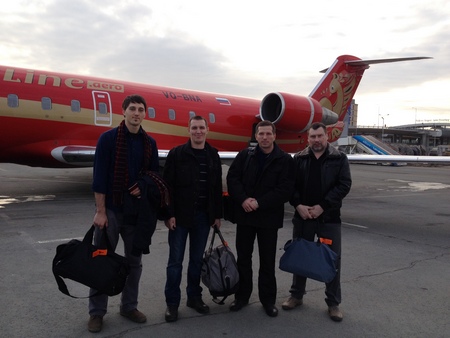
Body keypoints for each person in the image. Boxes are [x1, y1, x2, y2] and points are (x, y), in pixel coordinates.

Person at [88, 94, 160, 333]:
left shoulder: (150, 143)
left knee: (134, 263)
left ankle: (129, 306)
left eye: (141, 109)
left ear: (145, 114)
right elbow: (99, 178)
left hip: (136, 213)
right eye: (132, 109)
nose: (136, 113)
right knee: (102, 260)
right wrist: (100, 211)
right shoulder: (108, 140)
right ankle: (97, 312)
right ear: (124, 112)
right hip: (111, 210)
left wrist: (144, 184)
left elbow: (154, 177)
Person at [281, 122, 352, 322]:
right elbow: (290, 185)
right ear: (308, 138)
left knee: (331, 258)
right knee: (300, 255)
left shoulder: (339, 158)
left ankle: (333, 303)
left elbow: (344, 185)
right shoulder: (299, 158)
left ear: (326, 136)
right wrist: (298, 205)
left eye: (320, 136)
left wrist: (322, 206)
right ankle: (296, 295)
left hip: (328, 218)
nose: (316, 140)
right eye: (312, 137)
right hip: (303, 217)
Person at [226, 120, 295, 317]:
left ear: (274, 136)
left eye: (268, 134)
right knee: (243, 260)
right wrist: (243, 200)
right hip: (245, 216)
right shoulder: (244, 155)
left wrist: (260, 203)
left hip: (268, 219)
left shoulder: (284, 160)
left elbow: (285, 189)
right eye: (261, 134)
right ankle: (242, 296)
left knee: (267, 262)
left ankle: (268, 300)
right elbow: (233, 179)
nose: (264, 137)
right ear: (256, 136)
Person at [163, 115, 223, 323]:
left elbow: (216, 188)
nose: (198, 131)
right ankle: (172, 303)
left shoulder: (213, 155)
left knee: (197, 261)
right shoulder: (177, 154)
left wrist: (217, 215)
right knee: (175, 263)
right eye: (194, 128)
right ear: (188, 130)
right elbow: (167, 187)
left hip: (203, 218)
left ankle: (194, 298)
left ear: (207, 129)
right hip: (179, 218)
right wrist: (168, 214)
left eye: (201, 128)